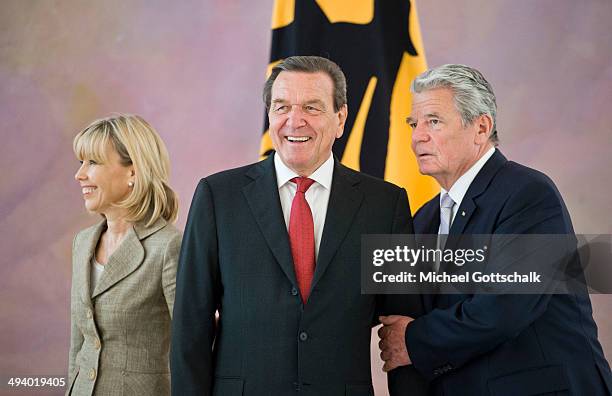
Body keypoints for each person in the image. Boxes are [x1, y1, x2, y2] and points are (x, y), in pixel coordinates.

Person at [171, 56, 420, 395]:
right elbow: (191, 325)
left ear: (340, 118)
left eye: (312, 108)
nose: (294, 120)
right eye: (282, 106)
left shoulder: (384, 204)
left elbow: (400, 331)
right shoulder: (218, 196)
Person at [378, 64, 612, 395]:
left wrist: (412, 341)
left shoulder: (528, 194)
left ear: (481, 127)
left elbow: (503, 309)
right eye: (414, 124)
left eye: (433, 121)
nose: (417, 136)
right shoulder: (424, 219)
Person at [67, 114, 181, 395]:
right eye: (81, 162)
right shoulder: (82, 243)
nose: (80, 174)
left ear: (133, 171)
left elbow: (193, 347)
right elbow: (78, 344)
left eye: (92, 162)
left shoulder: (169, 246)